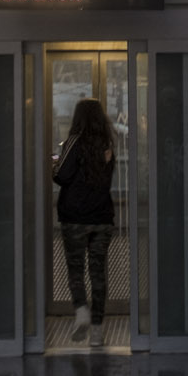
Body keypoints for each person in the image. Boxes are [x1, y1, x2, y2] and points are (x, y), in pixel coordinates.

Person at [53, 98, 116, 346]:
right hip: (102, 218)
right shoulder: (107, 145)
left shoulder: (74, 142)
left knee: (76, 270)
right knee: (98, 273)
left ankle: (81, 311)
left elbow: (61, 175)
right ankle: (98, 331)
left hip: (75, 219)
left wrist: (54, 165)